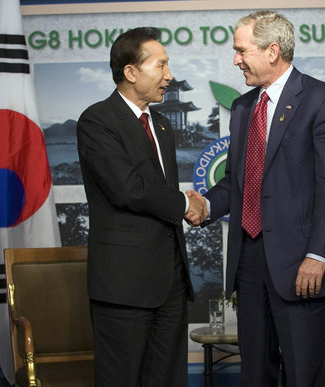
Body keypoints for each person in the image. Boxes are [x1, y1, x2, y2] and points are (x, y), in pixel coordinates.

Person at [188, 10, 325, 387]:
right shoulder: (244, 107)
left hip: (302, 266)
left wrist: (317, 257)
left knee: (303, 377)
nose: (235, 60)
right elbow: (237, 181)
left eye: (241, 50)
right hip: (249, 263)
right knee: (255, 376)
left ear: (272, 50)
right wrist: (206, 206)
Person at [77, 27, 206, 387]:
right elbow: (127, 189)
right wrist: (184, 203)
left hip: (170, 281)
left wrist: (185, 204)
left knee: (168, 379)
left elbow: (157, 191)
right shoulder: (97, 120)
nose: (169, 76)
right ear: (131, 72)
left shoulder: (162, 125)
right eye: (161, 65)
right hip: (124, 285)